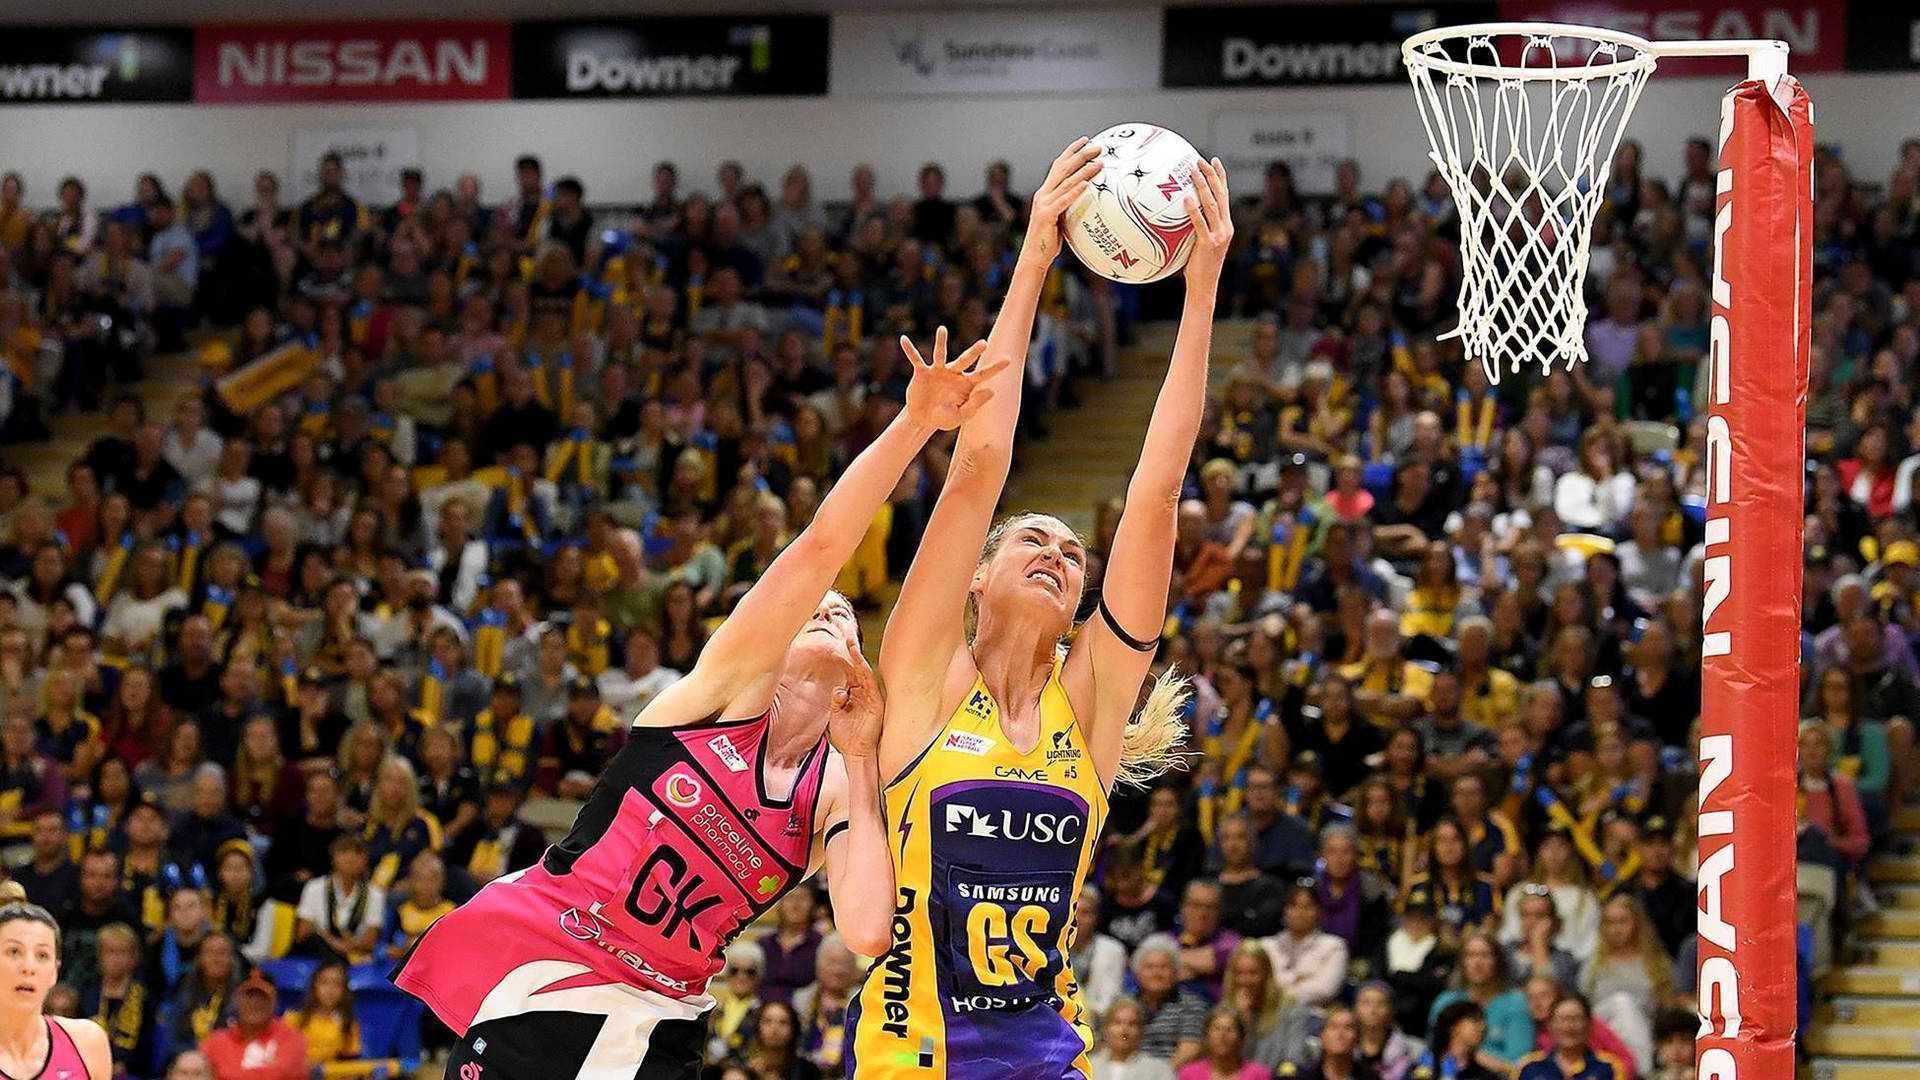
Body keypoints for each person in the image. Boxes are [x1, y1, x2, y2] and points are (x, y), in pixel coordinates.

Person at [395, 310, 1002, 1080]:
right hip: (551, 964)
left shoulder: (835, 790)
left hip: (660, 1017)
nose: (825, 605)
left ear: (859, 661)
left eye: (841, 610)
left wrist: (862, 759)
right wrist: (916, 424)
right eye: (812, 605)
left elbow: (866, 927)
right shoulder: (722, 694)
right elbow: (821, 544)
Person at [848, 143, 1233, 1079]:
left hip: (1050, 1059)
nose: (1061, 553)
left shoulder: (1091, 709)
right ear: (977, 578)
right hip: (914, 1062)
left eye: (1073, 552)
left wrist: (1201, 288)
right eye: (1035, 541)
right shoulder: (925, 681)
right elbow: (979, 468)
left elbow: (1155, 491)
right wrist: (1032, 258)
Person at [0, 880, 113, 1080]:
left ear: (54, 971)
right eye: (14, 952)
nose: (29, 967)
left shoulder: (87, 1042)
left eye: (42, 955)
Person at [198, 968, 307, 1080]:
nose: (255, 1003)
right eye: (249, 996)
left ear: (275, 1001)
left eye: (263, 997)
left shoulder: (292, 1040)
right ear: (237, 1000)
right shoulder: (215, 1043)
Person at [1518, 993, 1629, 1080]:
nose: (1568, 1027)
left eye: (1575, 1019)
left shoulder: (1608, 1067)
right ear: (1550, 1025)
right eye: (1562, 1020)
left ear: (1588, 1025)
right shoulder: (1529, 1067)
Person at [1091, 998, 1175, 1080]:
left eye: (1132, 1024)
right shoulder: (1087, 1067)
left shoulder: (1158, 1070)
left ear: (1141, 1030)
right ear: (1105, 1028)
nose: (1124, 1030)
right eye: (1117, 1023)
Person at [1177, 1007, 1267, 1080]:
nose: (1222, 1035)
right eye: (1217, 1029)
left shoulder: (1258, 1075)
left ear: (1241, 1038)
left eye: (1230, 1029)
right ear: (1207, 1036)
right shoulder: (1189, 1075)